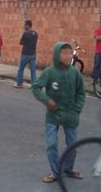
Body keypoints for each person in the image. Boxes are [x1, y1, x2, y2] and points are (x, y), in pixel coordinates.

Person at [31, 42, 86, 184]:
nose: (67, 56)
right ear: (56, 55)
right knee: (51, 145)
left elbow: (81, 93)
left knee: (72, 145)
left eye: (69, 53)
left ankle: (68, 168)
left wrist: (77, 109)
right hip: (53, 115)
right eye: (64, 53)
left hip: (70, 115)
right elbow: (36, 88)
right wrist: (47, 100)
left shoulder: (74, 72)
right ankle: (56, 172)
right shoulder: (49, 72)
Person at [14, 20, 38, 88]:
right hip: (33, 54)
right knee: (33, 70)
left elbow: (20, 42)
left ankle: (19, 83)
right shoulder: (35, 34)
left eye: (25, 25)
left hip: (25, 53)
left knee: (21, 68)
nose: (24, 26)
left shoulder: (26, 33)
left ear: (28, 25)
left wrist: (25, 42)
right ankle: (34, 84)